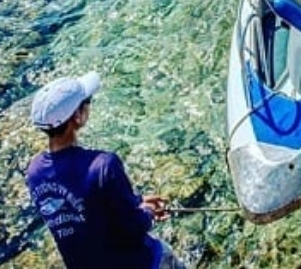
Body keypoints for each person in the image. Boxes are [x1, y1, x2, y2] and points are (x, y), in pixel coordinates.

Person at [25, 71, 185, 269]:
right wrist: (148, 212)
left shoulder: (33, 173)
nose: (89, 105)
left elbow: (81, 211)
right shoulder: (104, 165)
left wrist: (136, 202)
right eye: (87, 101)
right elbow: (133, 228)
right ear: (77, 116)